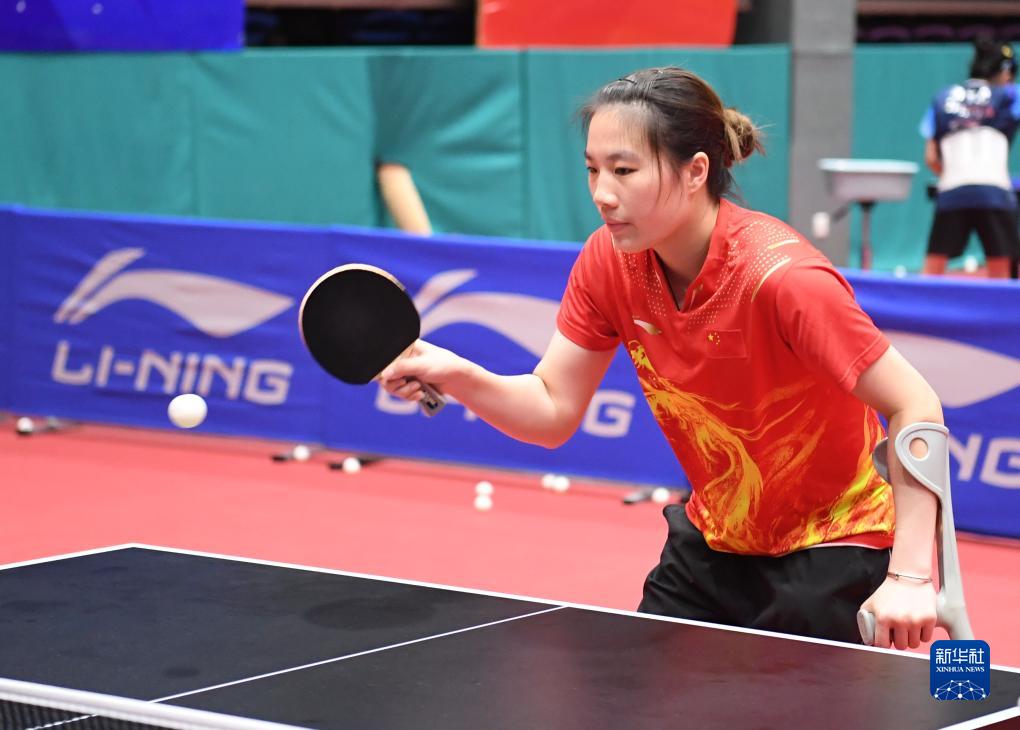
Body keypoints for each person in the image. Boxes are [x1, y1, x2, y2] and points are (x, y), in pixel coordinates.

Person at [381, 66, 941, 649]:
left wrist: (911, 576)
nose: (602, 193)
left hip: (835, 547)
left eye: (624, 171)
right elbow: (551, 410)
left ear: (695, 171)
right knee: (637, 688)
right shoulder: (608, 261)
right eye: (593, 170)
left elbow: (917, 406)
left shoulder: (783, 279)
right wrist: (454, 372)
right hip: (715, 541)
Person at [920, 38, 1020, 278]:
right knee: (1001, 275)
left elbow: (931, 157)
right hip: (995, 192)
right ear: (1006, 72)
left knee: (932, 271)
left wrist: (950, 175)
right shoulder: (1011, 95)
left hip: (951, 189)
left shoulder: (942, 97)